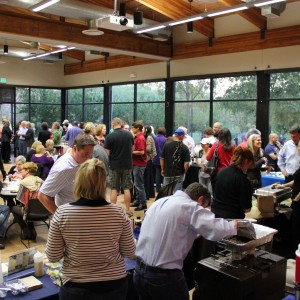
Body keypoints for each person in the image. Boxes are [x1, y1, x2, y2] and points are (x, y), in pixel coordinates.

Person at [46, 158, 135, 300]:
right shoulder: (118, 213)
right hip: (114, 283)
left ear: (78, 182)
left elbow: (53, 256)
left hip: (77, 285)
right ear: (104, 182)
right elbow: (130, 251)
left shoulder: (62, 213)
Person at [133, 182, 239, 300]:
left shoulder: (160, 202)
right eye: (204, 207)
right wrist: (234, 225)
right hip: (163, 277)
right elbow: (218, 230)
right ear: (200, 199)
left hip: (139, 271)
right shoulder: (190, 206)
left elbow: (168, 232)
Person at [38, 133, 96, 214]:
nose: (89, 157)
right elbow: (43, 195)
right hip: (71, 216)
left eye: (91, 153)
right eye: (86, 153)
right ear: (75, 148)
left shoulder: (78, 159)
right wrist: (60, 217)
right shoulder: (64, 168)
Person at [211, 146, 254, 219]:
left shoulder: (221, 172)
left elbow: (215, 193)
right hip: (233, 219)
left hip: (215, 216)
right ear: (246, 161)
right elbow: (246, 208)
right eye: (250, 164)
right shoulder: (242, 179)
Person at [104, 118, 134, 216]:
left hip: (114, 165)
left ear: (113, 124)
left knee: (113, 188)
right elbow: (132, 149)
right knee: (126, 188)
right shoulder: (129, 134)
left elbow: (107, 152)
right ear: (121, 124)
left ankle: (113, 212)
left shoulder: (110, 136)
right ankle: (127, 210)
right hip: (127, 165)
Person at [11, 162, 44, 240]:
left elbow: (19, 198)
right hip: (44, 210)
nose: (21, 171)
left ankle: (26, 231)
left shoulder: (23, 182)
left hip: (30, 211)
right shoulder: (40, 180)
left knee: (14, 208)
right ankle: (31, 229)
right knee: (29, 206)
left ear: (27, 171)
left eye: (22, 170)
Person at [160, 128, 190, 193]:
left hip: (167, 173)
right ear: (181, 136)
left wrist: (162, 169)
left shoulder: (166, 145)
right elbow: (186, 163)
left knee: (166, 193)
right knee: (176, 194)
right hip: (179, 174)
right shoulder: (184, 148)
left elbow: (162, 158)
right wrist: (185, 172)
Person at [131, 121, 147, 211]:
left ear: (137, 128)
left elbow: (141, 151)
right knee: (136, 184)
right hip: (136, 163)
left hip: (139, 164)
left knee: (139, 184)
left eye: (133, 127)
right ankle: (137, 200)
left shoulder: (140, 138)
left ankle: (143, 203)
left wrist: (131, 152)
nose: (132, 129)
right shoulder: (137, 137)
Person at [143, 126, 157, 200]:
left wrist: (141, 149)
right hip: (150, 159)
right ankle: (150, 193)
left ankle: (147, 194)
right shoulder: (150, 137)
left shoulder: (148, 138)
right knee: (149, 177)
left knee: (147, 178)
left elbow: (148, 149)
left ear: (146, 130)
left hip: (148, 160)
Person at [153, 127, 167, 193]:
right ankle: (164, 188)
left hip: (156, 158)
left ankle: (157, 189)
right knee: (164, 173)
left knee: (157, 174)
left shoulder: (155, 139)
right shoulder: (165, 139)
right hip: (164, 158)